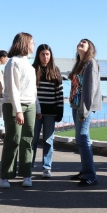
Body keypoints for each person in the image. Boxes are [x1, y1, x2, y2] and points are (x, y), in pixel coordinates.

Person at [0, 33, 37, 188]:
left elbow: (33, 90)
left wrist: (37, 106)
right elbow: (13, 89)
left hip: (30, 105)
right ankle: (5, 175)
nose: (34, 44)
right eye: (32, 42)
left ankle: (26, 174)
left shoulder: (29, 64)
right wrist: (18, 110)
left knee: (28, 140)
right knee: (13, 139)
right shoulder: (13, 63)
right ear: (24, 43)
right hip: (14, 105)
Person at [69, 39, 102, 186]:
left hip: (84, 108)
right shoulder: (80, 63)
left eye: (85, 42)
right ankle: (85, 171)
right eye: (80, 41)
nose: (81, 43)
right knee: (81, 140)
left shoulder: (91, 63)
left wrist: (84, 111)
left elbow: (90, 88)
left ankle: (91, 176)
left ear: (90, 48)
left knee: (83, 138)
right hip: (76, 106)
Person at [31, 44, 65, 178]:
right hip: (35, 112)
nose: (45, 57)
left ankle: (47, 167)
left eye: (47, 54)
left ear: (51, 56)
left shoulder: (55, 71)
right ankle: (28, 165)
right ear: (38, 55)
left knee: (48, 140)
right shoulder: (33, 70)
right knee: (32, 140)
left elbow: (59, 93)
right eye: (42, 54)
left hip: (51, 111)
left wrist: (59, 110)